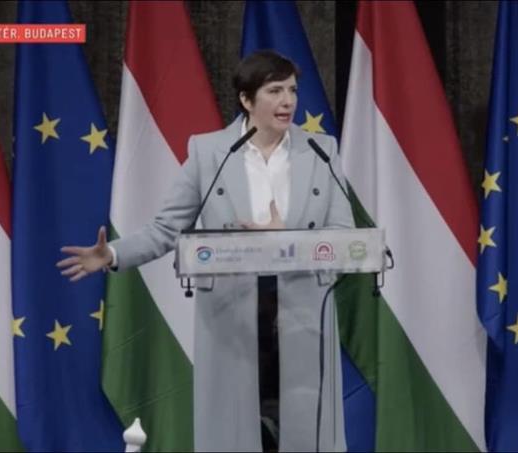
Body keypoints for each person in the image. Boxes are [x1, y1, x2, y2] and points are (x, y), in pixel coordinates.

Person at [57, 50, 353, 452]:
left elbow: (343, 236)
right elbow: (166, 228)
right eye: (275, 91)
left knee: (303, 432)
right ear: (246, 99)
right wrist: (112, 254)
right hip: (233, 315)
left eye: (292, 90)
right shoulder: (210, 152)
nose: (288, 101)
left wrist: (288, 239)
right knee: (235, 433)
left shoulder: (321, 150)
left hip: (302, 313)